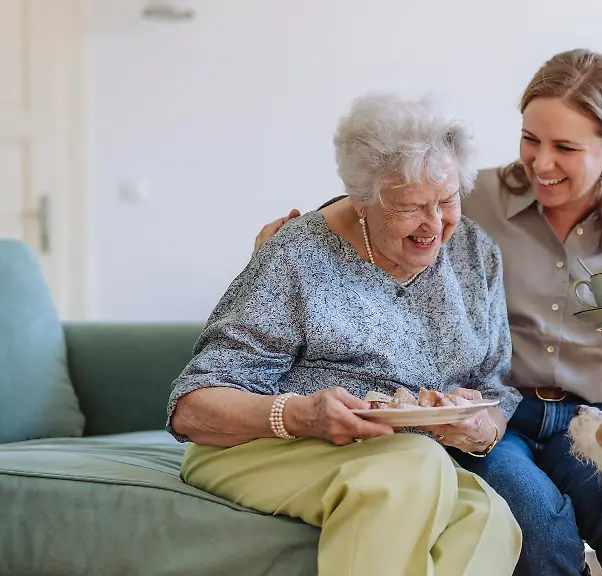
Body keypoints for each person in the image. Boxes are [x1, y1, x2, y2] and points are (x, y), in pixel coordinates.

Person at [253, 49, 602, 576]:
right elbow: (377, 205)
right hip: (496, 414)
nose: (541, 163)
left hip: (595, 420)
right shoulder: (466, 197)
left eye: (565, 147)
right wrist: (291, 240)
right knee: (538, 528)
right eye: (530, 139)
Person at [167, 93, 524, 576]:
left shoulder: (474, 254)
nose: (435, 224)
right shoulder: (299, 254)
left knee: (488, 519)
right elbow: (191, 408)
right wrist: (303, 416)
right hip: (264, 446)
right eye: (412, 207)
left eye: (447, 200)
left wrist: (481, 428)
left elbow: (494, 386)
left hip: (402, 455)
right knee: (415, 464)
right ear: (362, 200)